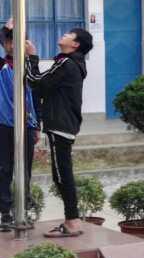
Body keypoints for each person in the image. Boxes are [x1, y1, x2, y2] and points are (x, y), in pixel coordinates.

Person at [25, 28, 93, 238]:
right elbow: (43, 85)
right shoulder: (71, 63)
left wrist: (31, 57)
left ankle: (72, 221)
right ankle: (72, 220)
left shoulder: (66, 63)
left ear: (75, 44)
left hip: (60, 124)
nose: (63, 35)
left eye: (68, 34)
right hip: (65, 124)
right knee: (62, 173)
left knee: (62, 175)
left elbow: (36, 82)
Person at [0, 27, 38, 226]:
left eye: (18, 41)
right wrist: (7, 28)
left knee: (25, 170)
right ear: (4, 44)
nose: (13, 45)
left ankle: (23, 210)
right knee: (5, 169)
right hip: (4, 126)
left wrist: (37, 126)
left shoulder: (29, 67)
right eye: (9, 41)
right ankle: (5, 213)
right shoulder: (2, 66)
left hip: (28, 125)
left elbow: (37, 95)